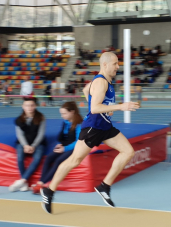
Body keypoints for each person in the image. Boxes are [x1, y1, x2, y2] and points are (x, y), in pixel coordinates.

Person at [40, 52, 140, 214]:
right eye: (115, 63)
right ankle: (49, 190)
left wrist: (106, 110)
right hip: (93, 128)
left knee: (128, 151)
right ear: (105, 65)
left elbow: (87, 91)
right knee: (74, 160)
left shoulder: (104, 80)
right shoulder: (101, 82)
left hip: (105, 126)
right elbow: (94, 108)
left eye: (118, 63)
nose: (118, 66)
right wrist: (120, 106)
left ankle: (104, 186)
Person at [32, 101, 83, 194]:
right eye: (61, 113)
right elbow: (63, 136)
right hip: (65, 146)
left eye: (64, 113)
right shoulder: (66, 122)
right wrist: (60, 144)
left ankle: (41, 183)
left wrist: (65, 148)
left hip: (74, 148)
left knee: (58, 161)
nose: (62, 116)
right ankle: (41, 183)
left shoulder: (79, 124)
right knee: (48, 158)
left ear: (72, 112)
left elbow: (79, 142)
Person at [9, 98, 47, 192]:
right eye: (27, 105)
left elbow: (40, 134)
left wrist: (33, 145)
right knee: (20, 157)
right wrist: (25, 145)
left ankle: (22, 181)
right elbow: (20, 135)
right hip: (23, 142)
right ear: (23, 106)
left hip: (37, 143)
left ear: (35, 106)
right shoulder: (19, 120)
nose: (29, 107)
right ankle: (24, 183)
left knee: (37, 158)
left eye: (31, 105)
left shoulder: (41, 118)